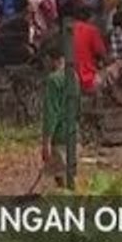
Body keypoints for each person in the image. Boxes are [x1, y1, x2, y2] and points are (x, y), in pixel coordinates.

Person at [41, 41, 80, 188]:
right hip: (73, 131)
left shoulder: (53, 80)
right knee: (71, 174)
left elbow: (51, 112)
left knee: (59, 175)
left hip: (59, 135)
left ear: (52, 59)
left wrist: (46, 141)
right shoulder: (74, 76)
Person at [72, 6, 122, 106]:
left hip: (71, 77)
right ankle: (119, 100)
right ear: (90, 17)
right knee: (115, 67)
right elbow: (103, 55)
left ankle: (113, 98)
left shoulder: (69, 30)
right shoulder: (91, 30)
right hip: (88, 80)